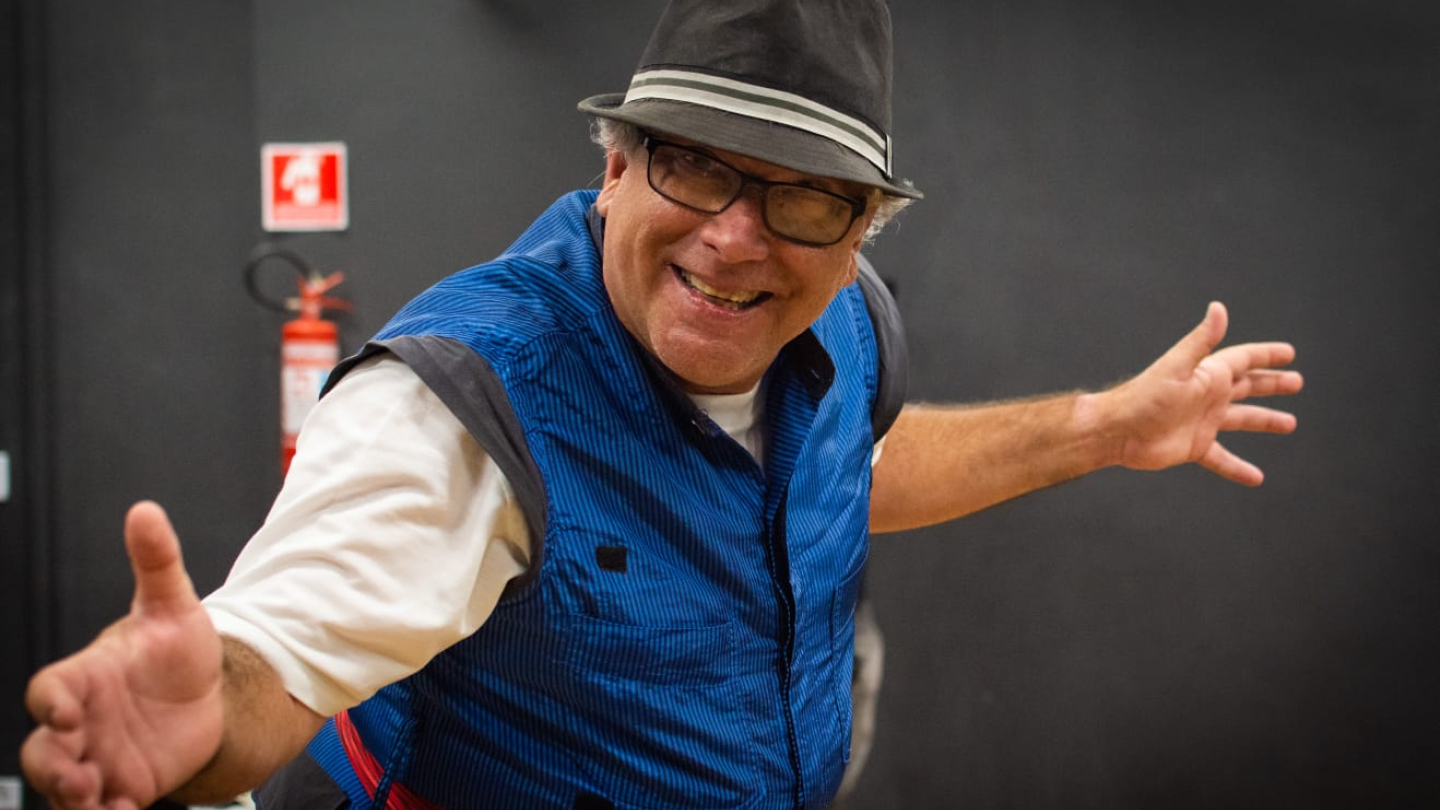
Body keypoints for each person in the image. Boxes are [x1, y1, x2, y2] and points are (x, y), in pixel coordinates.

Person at [20, 1, 1304, 809]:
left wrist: (1105, 429)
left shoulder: (839, 327)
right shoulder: (466, 408)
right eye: (694, 163)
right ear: (616, 164)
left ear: (861, 231)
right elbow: (280, 658)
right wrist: (207, 729)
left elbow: (847, 469)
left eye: (802, 195)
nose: (736, 240)